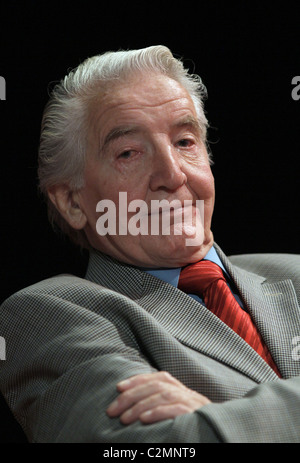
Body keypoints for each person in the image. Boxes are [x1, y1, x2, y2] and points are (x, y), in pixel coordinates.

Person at [0, 45, 299, 443]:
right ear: (72, 202)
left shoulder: (295, 271)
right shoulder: (48, 315)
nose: (172, 175)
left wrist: (221, 416)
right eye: (128, 153)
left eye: (185, 142)